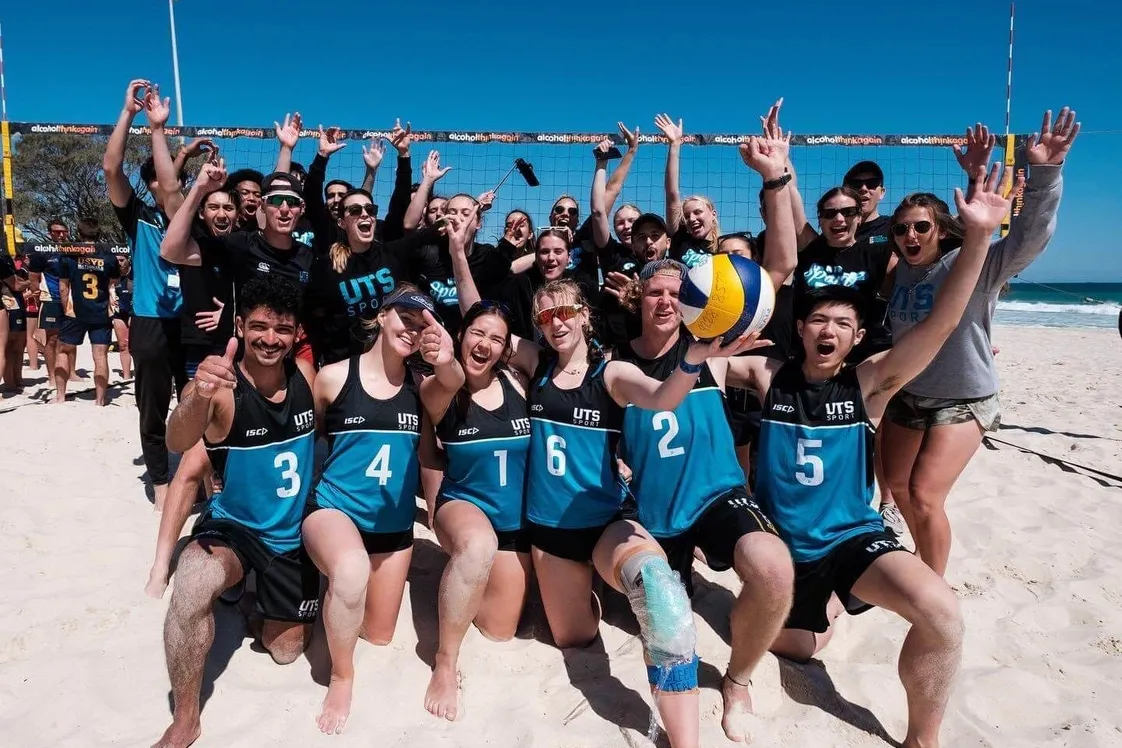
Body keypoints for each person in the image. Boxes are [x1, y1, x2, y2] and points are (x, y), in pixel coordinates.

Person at [447, 209, 764, 748]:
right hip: (547, 533)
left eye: (567, 311)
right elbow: (478, 316)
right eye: (546, 316)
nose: (557, 321)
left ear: (585, 318)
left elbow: (663, 398)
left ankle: (683, 739)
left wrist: (692, 359)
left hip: (604, 525)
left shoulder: (610, 372)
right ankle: (596, 597)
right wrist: (459, 254)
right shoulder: (533, 365)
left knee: (663, 601)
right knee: (575, 636)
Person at [726, 162, 1018, 748]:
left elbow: (941, 323)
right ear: (800, 330)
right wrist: (712, 339)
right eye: (817, 322)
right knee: (800, 644)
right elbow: (683, 368)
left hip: (851, 538)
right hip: (784, 550)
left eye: (841, 323)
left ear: (857, 337)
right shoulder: (766, 372)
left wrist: (980, 236)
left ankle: (921, 739)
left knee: (941, 612)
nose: (827, 330)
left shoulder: (869, 384)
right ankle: (829, 611)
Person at [612, 133, 800, 742]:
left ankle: (739, 681)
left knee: (773, 569)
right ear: (639, 299)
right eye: (656, 291)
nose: (666, 299)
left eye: (676, 291)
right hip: (654, 511)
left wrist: (775, 180)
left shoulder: (715, 354)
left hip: (718, 495)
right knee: (666, 616)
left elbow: (776, 273)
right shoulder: (615, 367)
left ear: (693, 301)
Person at [881, 108, 1076, 577]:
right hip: (909, 392)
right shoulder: (900, 273)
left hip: (964, 398)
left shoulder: (968, 265)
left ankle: (933, 582)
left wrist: (1046, 173)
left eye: (921, 226)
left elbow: (1027, 240)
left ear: (941, 229)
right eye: (902, 227)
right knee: (897, 486)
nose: (911, 234)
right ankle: (925, 557)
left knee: (926, 495)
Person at [145, 275, 318, 748]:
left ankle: (249, 597)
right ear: (239, 326)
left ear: (295, 332)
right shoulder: (221, 387)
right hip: (236, 527)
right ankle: (185, 717)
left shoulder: (304, 376)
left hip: (291, 535)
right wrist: (197, 394)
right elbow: (180, 439)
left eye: (282, 329)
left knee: (284, 653)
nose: (269, 338)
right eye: (258, 326)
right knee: (194, 582)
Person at [301, 286, 448, 734]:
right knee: (348, 570)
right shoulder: (332, 377)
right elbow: (307, 441)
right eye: (405, 317)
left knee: (380, 633)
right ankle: (342, 677)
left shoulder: (420, 390)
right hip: (335, 510)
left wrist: (440, 514)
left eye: (423, 324)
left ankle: (340, 587)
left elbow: (428, 458)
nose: (413, 328)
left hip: (393, 527)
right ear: (382, 317)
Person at [419, 299, 533, 721]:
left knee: (499, 630)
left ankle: (463, 580)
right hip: (463, 504)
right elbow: (448, 375)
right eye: (477, 333)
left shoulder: (519, 382)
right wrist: (445, 358)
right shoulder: (438, 390)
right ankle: (445, 662)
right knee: (476, 544)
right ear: (461, 335)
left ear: (506, 349)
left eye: (496, 338)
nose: (484, 344)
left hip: (516, 522)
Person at [104, 79, 189, 508]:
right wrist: (130, 114)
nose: (173, 180)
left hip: (191, 322)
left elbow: (177, 193)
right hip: (152, 321)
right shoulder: (138, 216)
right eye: (166, 174)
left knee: (196, 405)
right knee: (152, 407)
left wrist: (186, 152)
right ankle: (160, 479)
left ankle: (201, 477)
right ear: (152, 181)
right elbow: (110, 168)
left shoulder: (190, 214)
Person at [54, 245, 121, 405]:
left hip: (76, 311)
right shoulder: (108, 256)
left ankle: (60, 396)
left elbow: (63, 287)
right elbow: (115, 281)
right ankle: (100, 400)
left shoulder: (69, 256)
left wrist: (66, 309)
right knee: (100, 356)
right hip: (100, 311)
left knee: (63, 351)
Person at [110, 256, 133, 379]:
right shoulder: (113, 275)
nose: (119, 263)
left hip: (135, 313)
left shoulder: (135, 273)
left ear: (128, 260)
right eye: (117, 260)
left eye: (121, 260)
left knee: (137, 346)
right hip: (119, 313)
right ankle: (126, 376)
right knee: (123, 345)